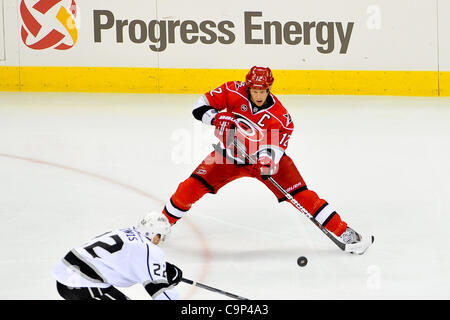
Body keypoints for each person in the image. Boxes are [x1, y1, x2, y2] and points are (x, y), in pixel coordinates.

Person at [162, 66, 372, 254]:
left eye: (262, 91)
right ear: (248, 88)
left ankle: (344, 232)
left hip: (265, 164)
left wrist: (265, 160)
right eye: (255, 91)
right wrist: (216, 117)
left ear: (269, 89)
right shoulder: (233, 90)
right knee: (189, 188)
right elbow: (199, 107)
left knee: (303, 197)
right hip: (229, 155)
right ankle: (162, 224)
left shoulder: (280, 117)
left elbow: (274, 147)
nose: (259, 95)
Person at [52, 212, 183, 300]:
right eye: (161, 239)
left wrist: (163, 269)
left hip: (68, 276)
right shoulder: (149, 249)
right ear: (156, 236)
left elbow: (125, 259)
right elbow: (161, 291)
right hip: (82, 284)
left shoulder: (123, 232)